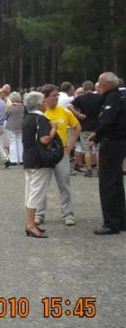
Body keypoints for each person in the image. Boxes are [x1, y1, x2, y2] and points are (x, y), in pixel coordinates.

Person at [87, 72, 126, 235]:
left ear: (110, 83)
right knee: (116, 182)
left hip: (111, 141)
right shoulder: (121, 96)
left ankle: (110, 223)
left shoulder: (113, 97)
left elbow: (107, 120)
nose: (99, 85)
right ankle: (121, 219)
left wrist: (97, 135)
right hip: (120, 140)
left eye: (101, 83)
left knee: (107, 182)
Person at [37, 84, 80, 226]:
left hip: (61, 154)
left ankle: (68, 214)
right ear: (45, 98)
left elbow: (77, 127)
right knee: (42, 186)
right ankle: (39, 214)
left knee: (64, 185)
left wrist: (70, 146)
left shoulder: (64, 111)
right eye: (53, 95)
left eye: (57, 95)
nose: (56, 97)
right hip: (44, 154)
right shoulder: (41, 114)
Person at [21, 91, 56, 238]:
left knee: (30, 191)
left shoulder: (27, 118)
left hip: (28, 158)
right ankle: (30, 225)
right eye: (43, 101)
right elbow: (44, 140)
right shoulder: (41, 119)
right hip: (40, 160)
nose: (45, 103)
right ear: (39, 104)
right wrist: (54, 129)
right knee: (36, 193)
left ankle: (30, 224)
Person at [69, 80, 102, 177]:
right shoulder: (99, 97)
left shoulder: (80, 98)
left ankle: (89, 170)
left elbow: (69, 106)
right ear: (92, 88)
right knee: (98, 149)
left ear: (84, 88)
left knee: (86, 149)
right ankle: (100, 171)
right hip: (97, 126)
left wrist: (78, 114)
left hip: (85, 125)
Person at [4, 92, 25, 166]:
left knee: (12, 142)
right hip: (21, 126)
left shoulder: (10, 107)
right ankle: (22, 159)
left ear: (12, 99)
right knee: (20, 142)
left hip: (11, 126)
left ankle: (13, 160)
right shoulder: (24, 107)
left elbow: (5, 116)